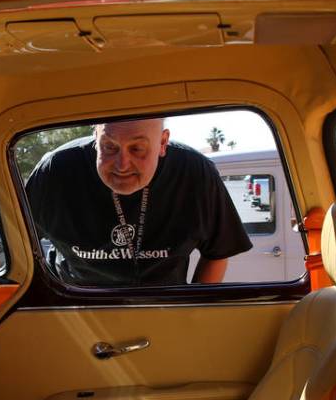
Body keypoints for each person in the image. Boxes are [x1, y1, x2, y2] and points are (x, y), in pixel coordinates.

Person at [25, 117, 252, 286]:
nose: (122, 164)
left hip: (163, 313)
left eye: (137, 149)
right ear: (95, 136)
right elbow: (20, 246)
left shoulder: (195, 172)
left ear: (163, 143)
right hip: (76, 311)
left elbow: (218, 252)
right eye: (109, 147)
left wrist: (193, 313)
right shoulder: (55, 170)